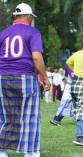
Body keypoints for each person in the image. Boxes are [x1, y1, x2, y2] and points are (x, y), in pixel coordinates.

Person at [0, 3, 51, 157]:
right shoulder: (33, 32)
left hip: (3, 77)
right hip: (24, 77)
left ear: (15, 16)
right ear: (29, 16)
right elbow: (36, 57)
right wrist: (45, 78)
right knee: (29, 115)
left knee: (5, 116)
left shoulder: (3, 33)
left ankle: (2, 151)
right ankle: (31, 152)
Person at [50, 51, 76, 126]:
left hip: (76, 87)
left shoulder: (79, 65)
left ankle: (80, 118)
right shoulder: (67, 66)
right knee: (64, 102)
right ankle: (57, 119)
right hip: (69, 86)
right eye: (72, 56)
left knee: (76, 103)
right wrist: (65, 88)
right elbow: (66, 77)